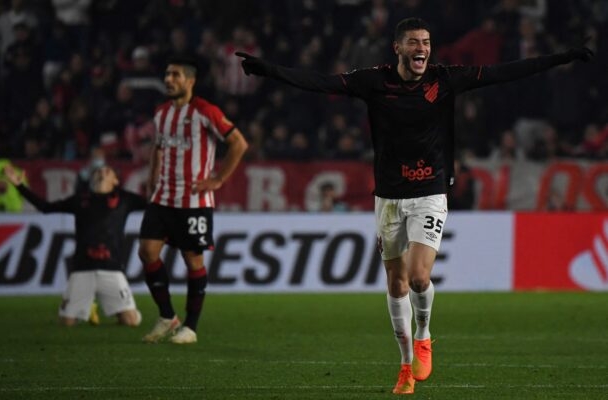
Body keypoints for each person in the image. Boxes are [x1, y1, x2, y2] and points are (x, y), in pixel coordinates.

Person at [236, 17, 593, 394]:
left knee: (420, 276)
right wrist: (269, 70)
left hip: (430, 190)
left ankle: (424, 333)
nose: (421, 48)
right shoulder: (374, 81)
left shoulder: (445, 79)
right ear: (398, 48)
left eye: (425, 42)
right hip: (389, 196)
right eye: (413, 42)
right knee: (396, 282)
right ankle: (405, 366)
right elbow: (321, 82)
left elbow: (507, 72)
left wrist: (563, 56)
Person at [138, 56, 248, 344]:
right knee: (147, 252)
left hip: (194, 200)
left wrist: (219, 179)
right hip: (162, 196)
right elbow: (158, 148)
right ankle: (166, 316)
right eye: (166, 74)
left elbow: (239, 143)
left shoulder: (205, 111)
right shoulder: (161, 113)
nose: (168, 80)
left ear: (190, 81)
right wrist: (152, 179)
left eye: (174, 75)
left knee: (192, 259)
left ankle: (191, 326)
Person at [4, 163, 146, 327]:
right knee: (67, 323)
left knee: (130, 321)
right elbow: (46, 207)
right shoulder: (80, 200)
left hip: (112, 268)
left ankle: (124, 311)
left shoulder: (125, 199)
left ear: (115, 181)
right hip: (82, 268)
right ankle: (89, 306)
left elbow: (153, 203)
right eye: (98, 172)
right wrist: (19, 186)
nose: (101, 173)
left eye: (107, 171)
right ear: (92, 180)